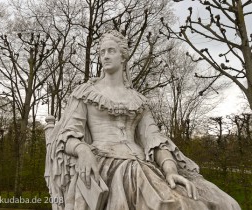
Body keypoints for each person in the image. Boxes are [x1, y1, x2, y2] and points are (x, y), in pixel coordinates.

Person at [45, 30, 241, 210]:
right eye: (102, 51)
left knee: (214, 202)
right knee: (169, 205)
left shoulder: (138, 100)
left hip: (143, 167)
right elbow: (66, 135)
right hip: (104, 167)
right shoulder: (85, 93)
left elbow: (154, 139)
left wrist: (170, 169)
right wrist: (83, 149)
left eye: (111, 51)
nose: (105, 56)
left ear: (123, 56)